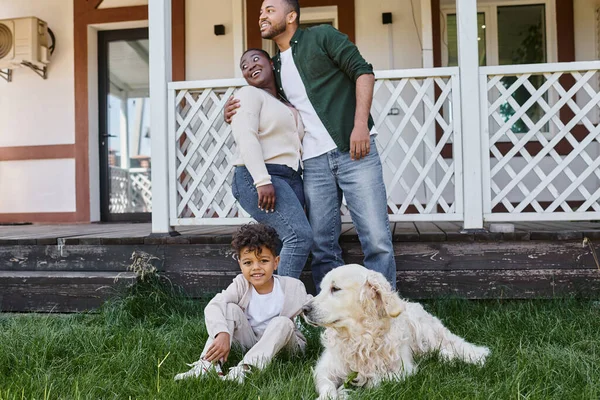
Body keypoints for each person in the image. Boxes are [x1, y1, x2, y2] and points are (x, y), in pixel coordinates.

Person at [225, 0, 396, 292]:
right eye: (260, 11)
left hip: (353, 150)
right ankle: (333, 315)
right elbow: (265, 100)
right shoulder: (273, 65)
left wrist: (360, 126)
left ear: (291, 16)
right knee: (322, 244)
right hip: (314, 163)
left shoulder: (322, 37)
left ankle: (384, 314)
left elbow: (363, 73)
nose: (261, 15)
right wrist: (229, 111)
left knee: (376, 238)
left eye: (269, 10)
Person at [174, 223, 311, 383]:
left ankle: (246, 370)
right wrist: (222, 333)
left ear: (276, 262)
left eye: (264, 261)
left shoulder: (293, 287)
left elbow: (315, 306)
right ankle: (208, 365)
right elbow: (214, 305)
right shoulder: (241, 284)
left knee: (283, 322)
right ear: (240, 264)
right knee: (230, 309)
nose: (256, 268)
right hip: (251, 342)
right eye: (248, 263)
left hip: (286, 347)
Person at [230, 47, 312, 279]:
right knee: (299, 236)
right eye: (244, 66)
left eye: (256, 59)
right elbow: (246, 136)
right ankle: (286, 307)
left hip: (291, 178)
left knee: (285, 241)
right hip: (259, 175)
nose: (250, 66)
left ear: (271, 64)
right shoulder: (248, 95)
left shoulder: (287, 104)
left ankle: (267, 304)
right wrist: (262, 180)